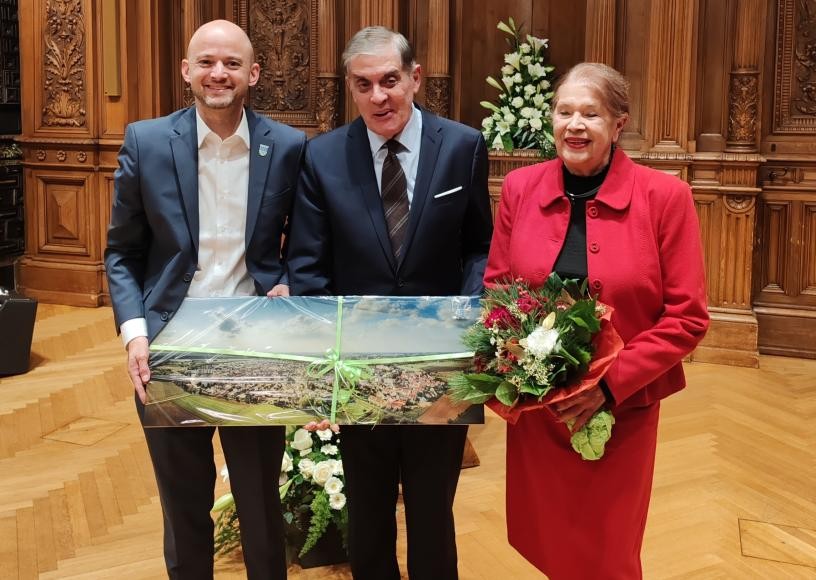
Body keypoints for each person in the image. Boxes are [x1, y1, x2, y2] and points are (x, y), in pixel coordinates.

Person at [484, 62, 709, 579]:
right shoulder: (519, 187)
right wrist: (515, 364)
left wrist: (608, 386)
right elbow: (498, 287)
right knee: (549, 536)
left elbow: (687, 316)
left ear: (619, 123)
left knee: (608, 548)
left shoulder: (665, 198)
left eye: (591, 113)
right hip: (541, 409)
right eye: (564, 111)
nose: (574, 125)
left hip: (622, 408)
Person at [286, 26, 493, 580]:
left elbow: (479, 246)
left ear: (414, 78)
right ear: (351, 90)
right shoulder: (323, 156)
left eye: (390, 81)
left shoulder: (464, 146)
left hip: (440, 365)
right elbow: (306, 267)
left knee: (433, 509)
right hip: (358, 367)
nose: (379, 96)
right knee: (369, 511)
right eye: (364, 84)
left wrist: (465, 318)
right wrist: (331, 359)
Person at [105, 20, 305, 579]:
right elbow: (121, 253)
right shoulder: (146, 142)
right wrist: (134, 332)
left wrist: (289, 282)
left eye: (233, 64)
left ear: (253, 74)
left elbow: (309, 244)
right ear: (187, 70)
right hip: (168, 342)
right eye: (208, 61)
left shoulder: (287, 146)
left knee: (262, 504)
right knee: (184, 505)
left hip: (256, 345)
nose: (220, 73)